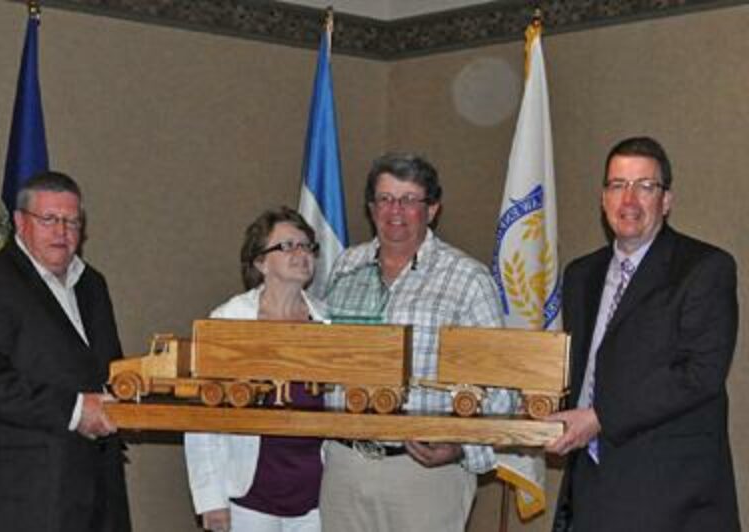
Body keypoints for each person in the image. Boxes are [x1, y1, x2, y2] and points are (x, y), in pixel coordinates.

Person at [546, 136, 740, 532]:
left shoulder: (704, 269)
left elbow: (700, 374)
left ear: (666, 201)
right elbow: (580, 372)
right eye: (618, 185)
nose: (629, 200)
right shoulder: (581, 275)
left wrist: (599, 418)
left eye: (645, 186)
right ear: (603, 198)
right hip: (591, 490)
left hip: (671, 497)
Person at [319, 153, 518, 532]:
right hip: (343, 469)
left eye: (409, 199)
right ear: (371, 207)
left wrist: (461, 448)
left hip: (423, 476)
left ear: (433, 209)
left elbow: (503, 390)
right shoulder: (346, 266)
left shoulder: (468, 279)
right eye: (385, 198)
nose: (396, 210)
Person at [0, 171, 131, 532]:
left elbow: (107, 372)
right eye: (49, 219)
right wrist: (76, 410)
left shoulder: (93, 284)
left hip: (97, 498)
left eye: (72, 221)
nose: (62, 232)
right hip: (20, 501)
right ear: (19, 222)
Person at [185, 206, 326, 532]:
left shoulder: (328, 323)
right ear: (260, 262)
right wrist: (211, 499)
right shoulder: (227, 321)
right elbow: (201, 419)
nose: (301, 253)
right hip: (248, 498)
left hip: (316, 498)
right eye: (287, 246)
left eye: (307, 246)